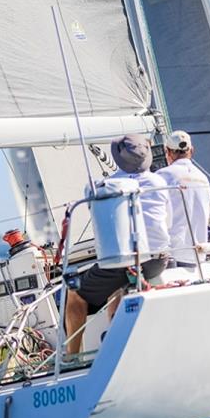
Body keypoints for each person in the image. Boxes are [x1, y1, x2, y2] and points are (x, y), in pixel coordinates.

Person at [65, 134, 171, 354]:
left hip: (130, 261)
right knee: (116, 284)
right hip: (160, 258)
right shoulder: (159, 182)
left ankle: (70, 357)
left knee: (75, 296)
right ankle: (115, 335)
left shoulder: (106, 186)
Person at [156, 130, 210, 266]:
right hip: (199, 254)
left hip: (172, 254)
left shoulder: (162, 176)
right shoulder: (204, 179)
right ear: (191, 150)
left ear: (167, 152)